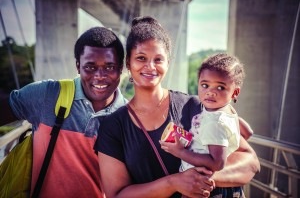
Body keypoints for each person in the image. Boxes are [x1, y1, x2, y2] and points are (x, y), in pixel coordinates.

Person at [94, 16, 260, 198]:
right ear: (128, 64)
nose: (150, 67)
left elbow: (251, 163)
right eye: (141, 58)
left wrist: (201, 179)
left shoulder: (196, 106)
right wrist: (174, 182)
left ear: (168, 63)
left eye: (158, 59)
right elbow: (116, 195)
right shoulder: (113, 126)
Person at [0, 27, 127, 197]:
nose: (99, 76)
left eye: (110, 67)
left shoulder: (129, 117)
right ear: (77, 66)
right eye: (90, 67)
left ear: (121, 69)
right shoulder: (48, 95)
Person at [160, 53, 249, 197]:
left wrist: (180, 152)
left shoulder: (214, 122)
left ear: (235, 92)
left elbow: (217, 163)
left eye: (220, 87)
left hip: (205, 186)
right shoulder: (227, 111)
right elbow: (248, 132)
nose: (210, 92)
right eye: (205, 85)